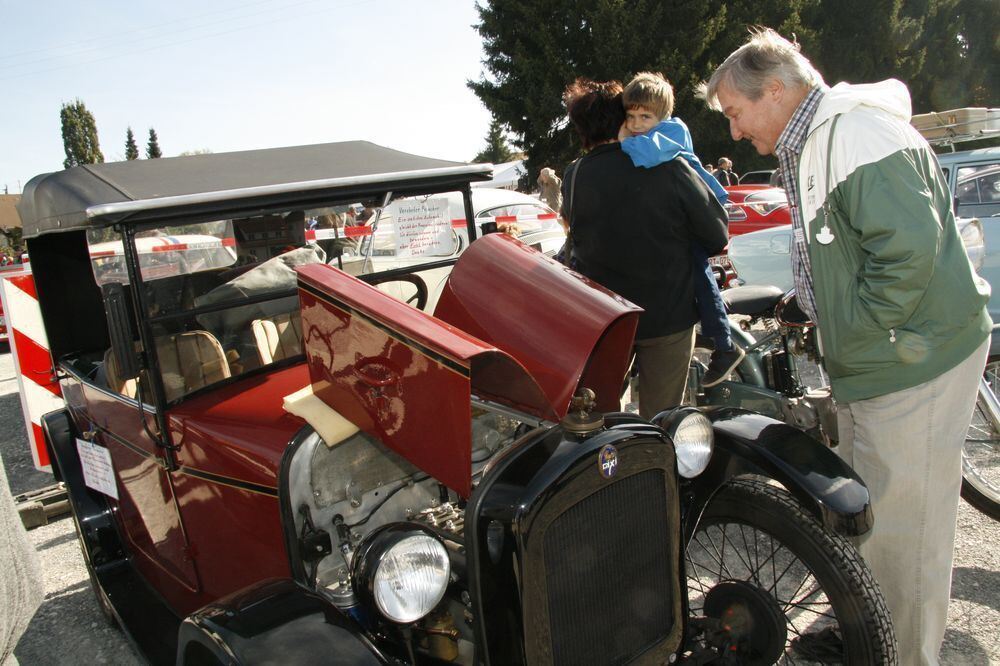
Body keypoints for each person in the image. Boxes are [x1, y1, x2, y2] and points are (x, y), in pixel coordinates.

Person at [702, 28, 991, 665]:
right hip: (876, 359)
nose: (734, 132)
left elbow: (906, 259)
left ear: (774, 89)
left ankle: (903, 655)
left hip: (906, 360)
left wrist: (858, 331)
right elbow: (851, 252)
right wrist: (815, 308)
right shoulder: (818, 139)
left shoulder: (854, 134)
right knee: (862, 507)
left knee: (905, 534)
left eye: (735, 113)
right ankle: (866, 625)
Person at [560, 78, 728, 419]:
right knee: (664, 420)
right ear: (622, 119)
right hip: (668, 316)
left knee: (601, 420)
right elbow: (716, 234)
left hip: (607, 319)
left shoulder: (574, 175)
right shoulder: (666, 162)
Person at [618, 71, 745, 386]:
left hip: (700, 211)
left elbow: (646, 156)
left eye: (644, 116)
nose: (635, 124)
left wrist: (622, 140)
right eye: (630, 116)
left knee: (701, 277)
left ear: (662, 115)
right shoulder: (651, 132)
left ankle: (724, 344)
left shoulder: (672, 131)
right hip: (683, 213)